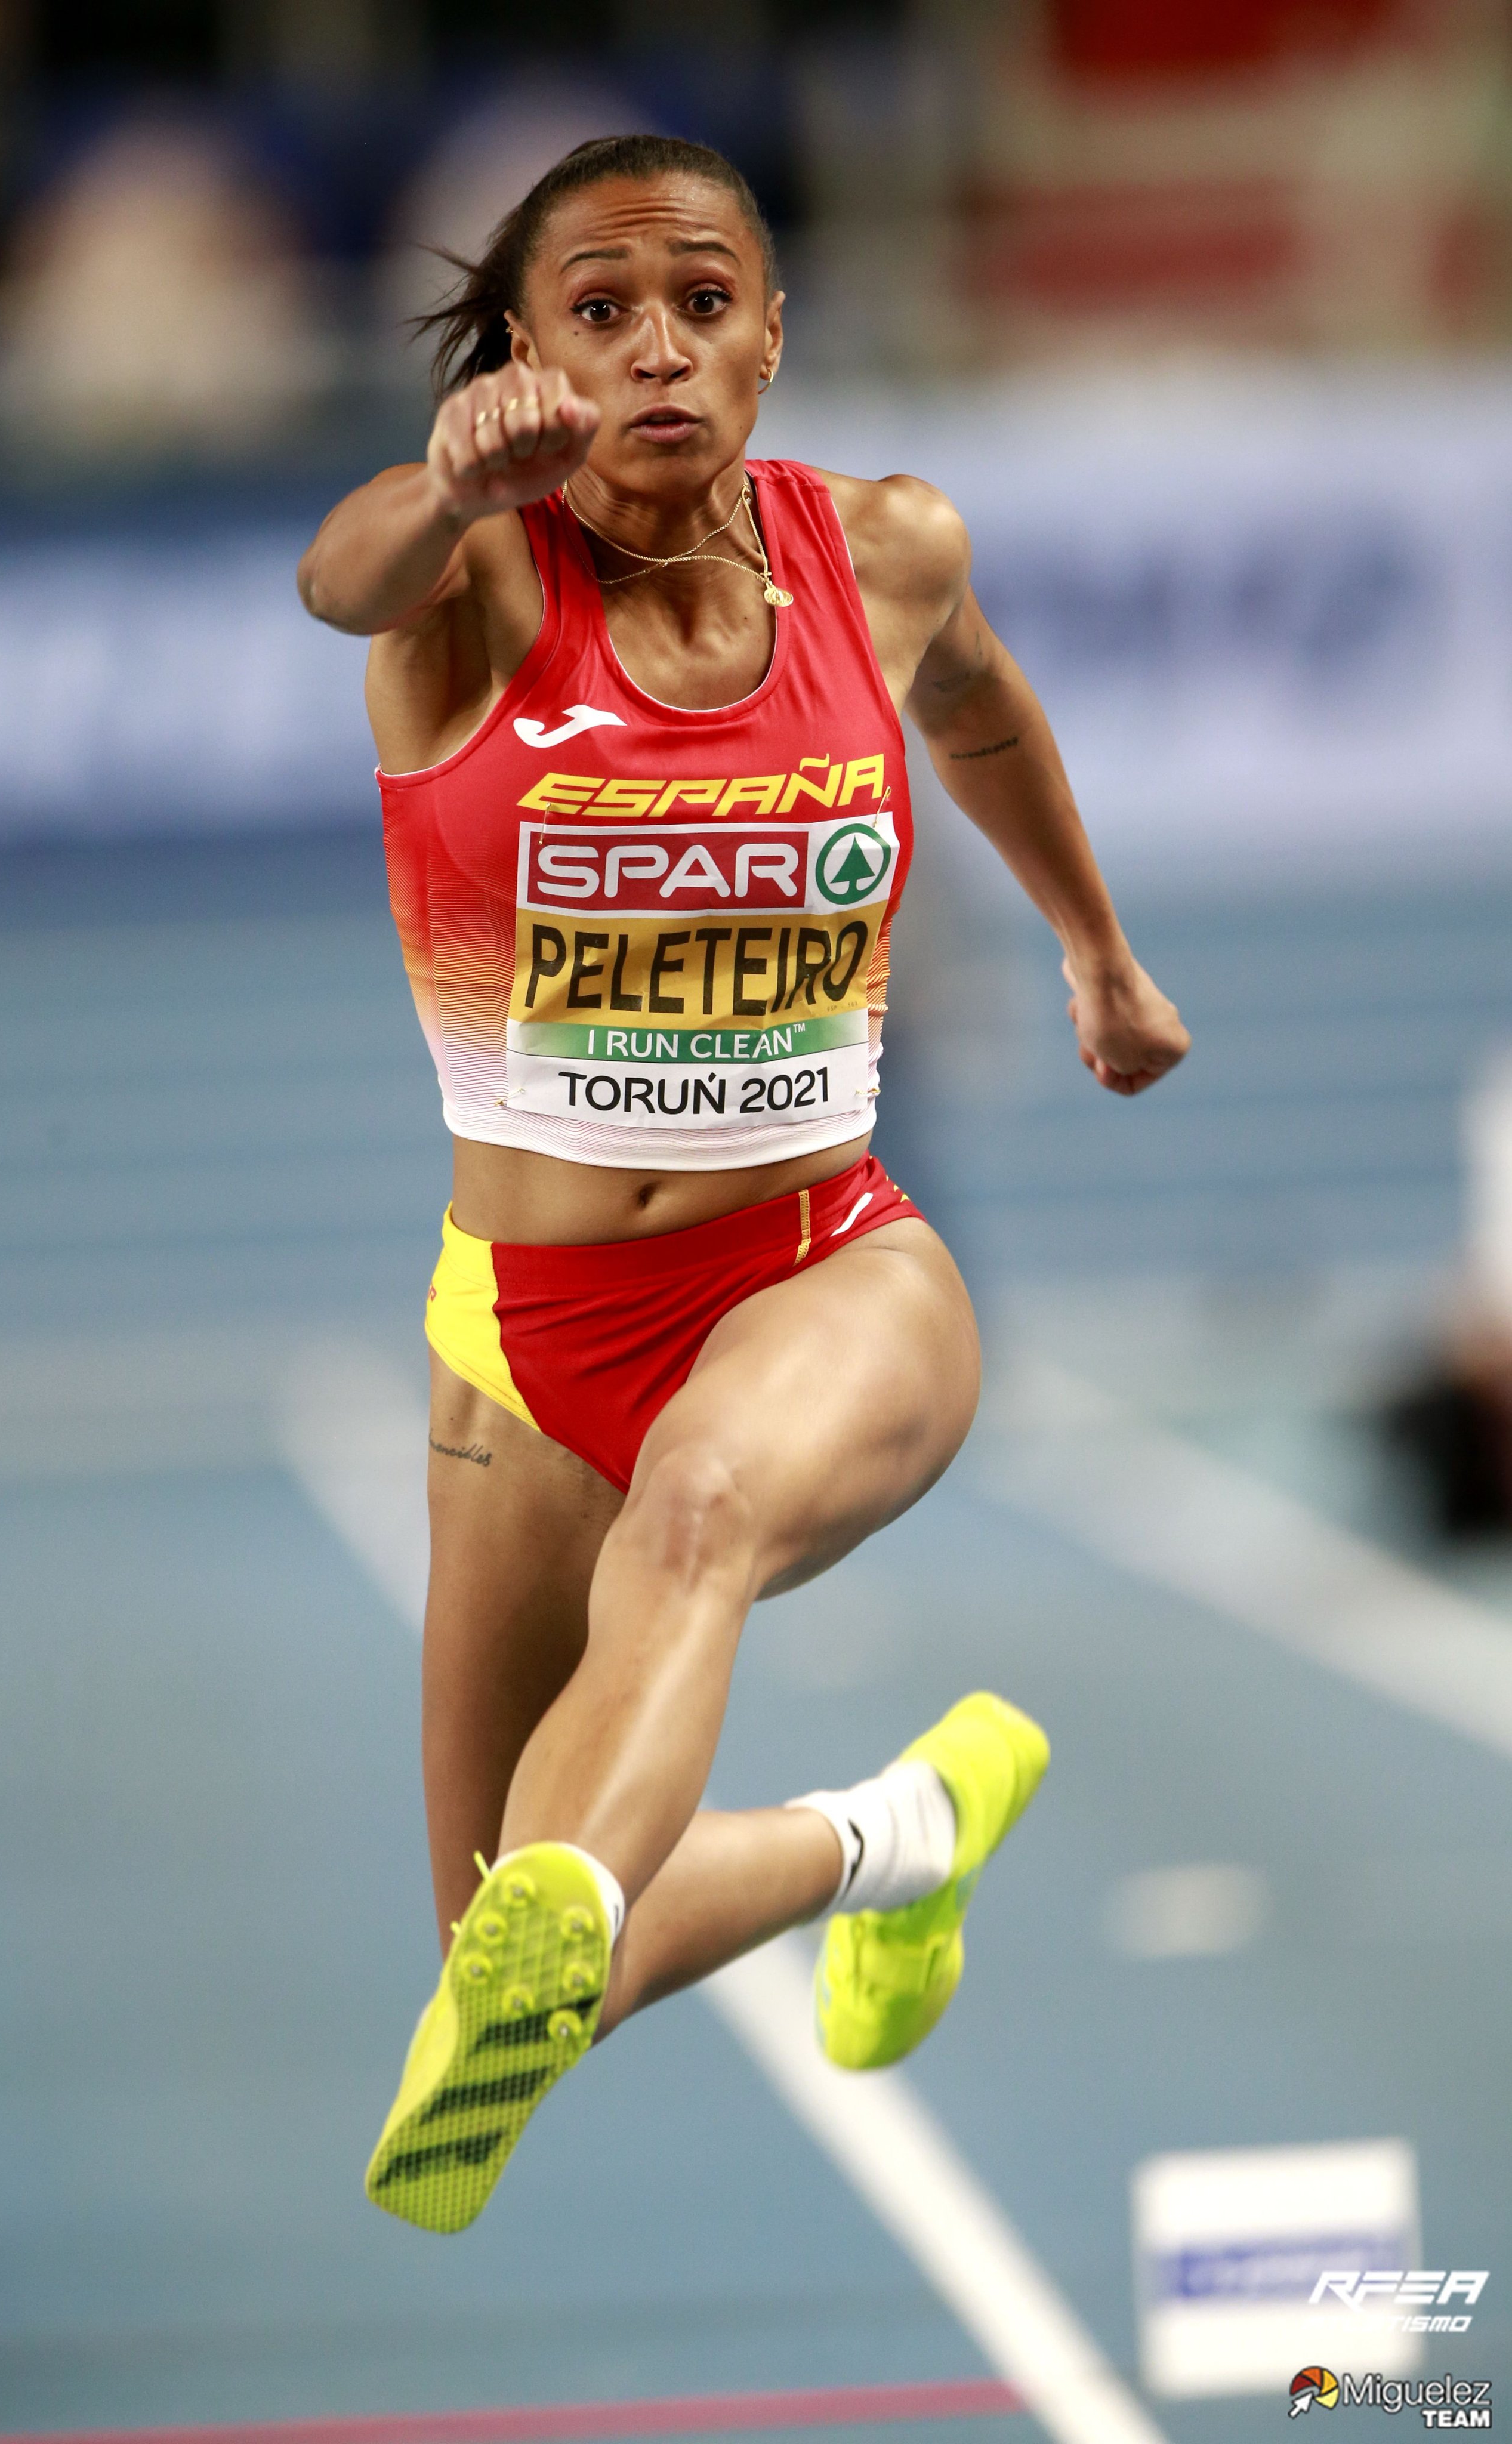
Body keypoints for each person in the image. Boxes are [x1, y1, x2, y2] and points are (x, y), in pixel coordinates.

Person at [298, 134, 1189, 2236]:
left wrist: (1093, 947)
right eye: (598, 312)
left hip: (824, 1274)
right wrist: (449, 483)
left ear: (770, 336)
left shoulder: (883, 551)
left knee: (695, 1516)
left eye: (700, 303)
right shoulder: (468, 585)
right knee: (513, 1955)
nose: (656, 349)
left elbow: (980, 711)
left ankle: (603, 1877)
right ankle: (897, 1838)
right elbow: (335, 576)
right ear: (526, 357)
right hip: (524, 1341)